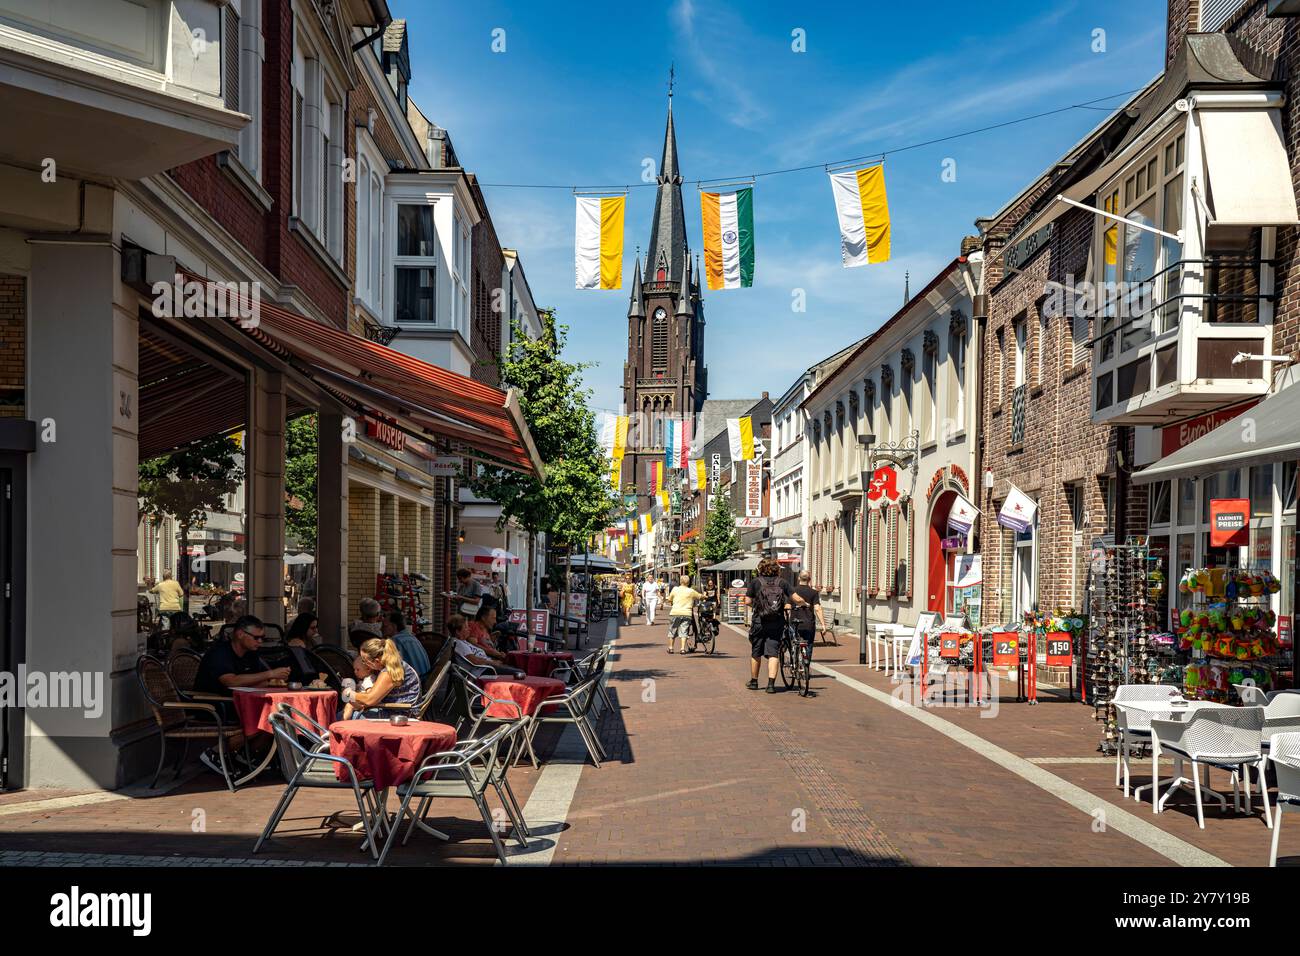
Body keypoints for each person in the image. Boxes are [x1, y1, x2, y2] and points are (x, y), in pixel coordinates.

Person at [194, 615, 290, 696]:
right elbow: (231, 681)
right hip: (217, 705)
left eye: (262, 638)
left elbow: (258, 680)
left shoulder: (251, 653)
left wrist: (276, 678)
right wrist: (271, 674)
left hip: (241, 701)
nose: (260, 641)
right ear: (240, 634)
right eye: (256, 638)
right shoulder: (219, 653)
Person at [743, 558, 793, 694]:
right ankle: (771, 685)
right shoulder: (782, 582)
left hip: (759, 621)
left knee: (756, 652)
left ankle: (754, 681)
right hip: (777, 622)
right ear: (776, 569)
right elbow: (794, 597)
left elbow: (747, 600)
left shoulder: (755, 582)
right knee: (773, 653)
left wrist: (758, 606)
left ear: (761, 569)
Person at [341, 638, 421, 719]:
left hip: (400, 715)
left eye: (365, 661)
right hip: (397, 711)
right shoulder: (395, 666)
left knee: (344, 716)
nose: (364, 664)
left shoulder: (388, 672)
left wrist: (349, 694)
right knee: (347, 710)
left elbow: (370, 699)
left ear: (377, 661)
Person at [790, 570, 827, 669]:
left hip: (794, 622)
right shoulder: (813, 592)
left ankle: (794, 663)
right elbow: (817, 608)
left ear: (798, 578)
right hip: (808, 623)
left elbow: (787, 607)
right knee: (809, 644)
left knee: (793, 642)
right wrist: (823, 625)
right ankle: (806, 666)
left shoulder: (792, 591)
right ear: (809, 580)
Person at [383, 610, 430, 680]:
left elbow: (391, 670)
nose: (381, 629)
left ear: (394, 627)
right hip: (426, 680)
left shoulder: (395, 641)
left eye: (385, 626)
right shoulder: (411, 637)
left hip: (415, 684)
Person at [667, 575, 706, 655]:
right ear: (688, 582)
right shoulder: (691, 591)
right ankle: (682, 649)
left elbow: (669, 599)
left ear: (680, 582)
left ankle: (671, 648)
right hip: (687, 613)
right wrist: (705, 596)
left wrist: (672, 601)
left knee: (673, 630)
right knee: (684, 631)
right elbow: (700, 596)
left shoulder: (675, 589)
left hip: (675, 612)